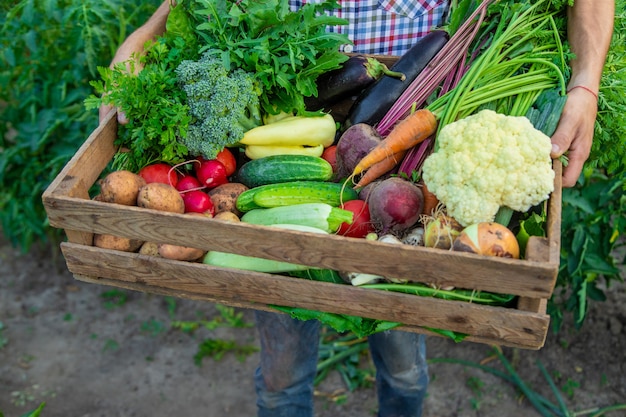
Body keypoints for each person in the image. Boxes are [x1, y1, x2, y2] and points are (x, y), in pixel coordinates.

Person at [99, 1, 614, 416]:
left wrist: (586, 84)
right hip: (299, 128)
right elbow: (177, 9)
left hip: (408, 178)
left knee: (404, 369)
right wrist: (143, 38)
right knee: (282, 375)